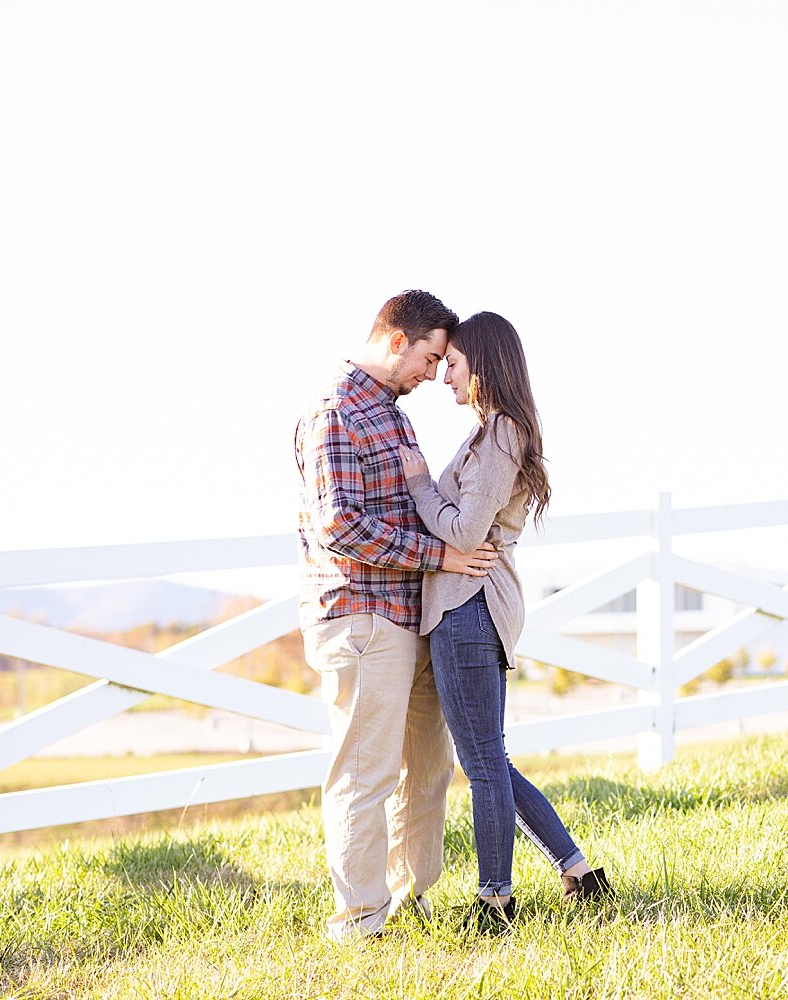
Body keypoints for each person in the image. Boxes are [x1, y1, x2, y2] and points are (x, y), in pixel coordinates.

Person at [295, 289, 501, 943]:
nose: (434, 373)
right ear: (395, 341)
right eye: (430, 356)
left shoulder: (391, 416)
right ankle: (359, 920)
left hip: (409, 619)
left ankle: (413, 900)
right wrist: (439, 553)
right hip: (360, 617)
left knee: (428, 770)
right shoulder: (337, 412)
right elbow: (338, 527)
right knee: (366, 771)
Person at [399, 311, 610, 932]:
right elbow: (461, 522)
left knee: (484, 763)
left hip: (469, 606)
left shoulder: (501, 435)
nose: (445, 379)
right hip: (465, 604)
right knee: (492, 758)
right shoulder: (488, 432)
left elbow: (464, 530)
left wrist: (416, 484)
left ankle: (495, 903)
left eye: (454, 365)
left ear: (483, 365)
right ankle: (577, 872)